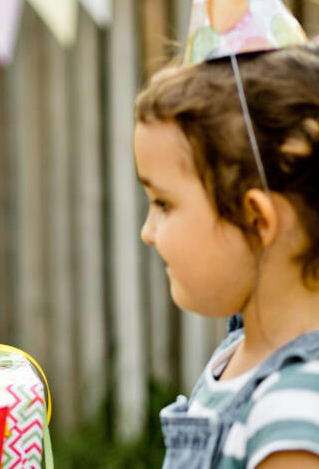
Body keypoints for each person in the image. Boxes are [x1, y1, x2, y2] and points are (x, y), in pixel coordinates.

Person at [134, 46, 319, 468]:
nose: (148, 233)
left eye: (163, 204)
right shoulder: (237, 353)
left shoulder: (294, 421)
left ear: (256, 220)